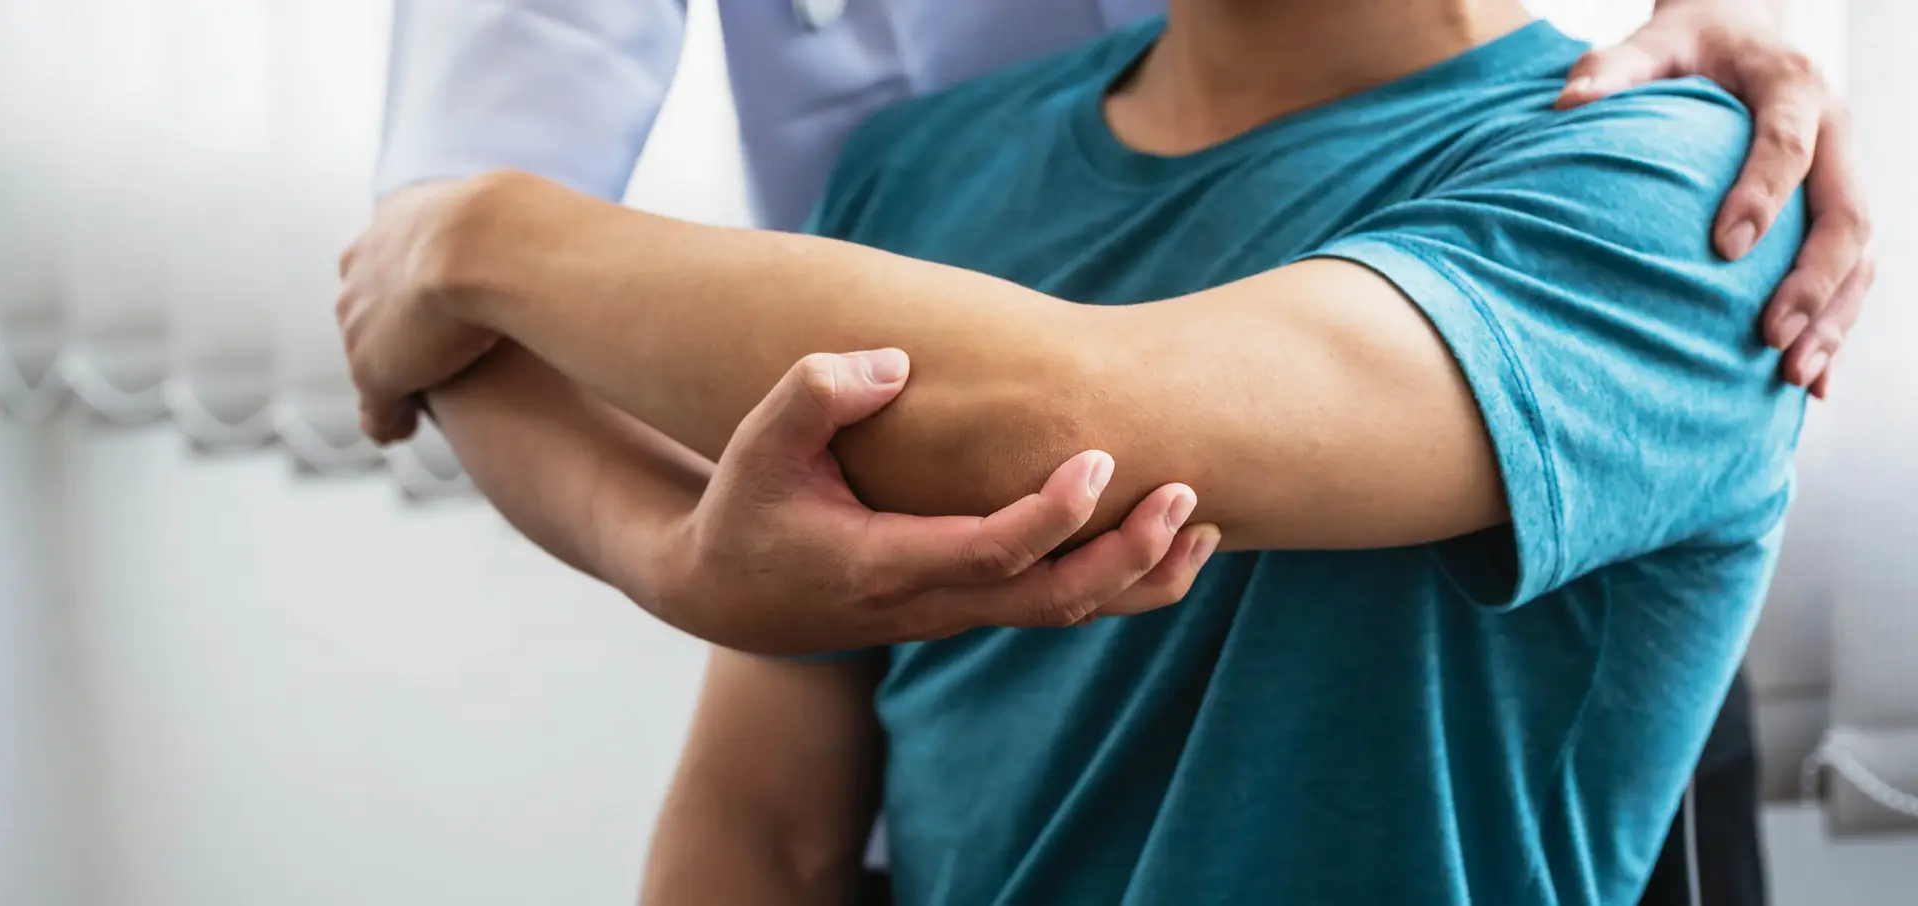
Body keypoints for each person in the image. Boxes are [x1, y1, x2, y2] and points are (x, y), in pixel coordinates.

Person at [341, 1, 1825, 902]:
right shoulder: (917, 170)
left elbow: (1067, 427)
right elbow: (766, 821)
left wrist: (479, 233)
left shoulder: (1679, 188)